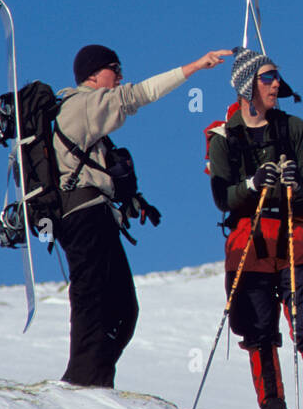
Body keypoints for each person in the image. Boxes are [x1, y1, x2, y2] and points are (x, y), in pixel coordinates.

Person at [54, 44, 233, 387]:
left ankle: (95, 379)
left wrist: (129, 198)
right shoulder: (86, 103)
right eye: (114, 69)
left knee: (120, 307)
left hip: (91, 215)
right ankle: (80, 381)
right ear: (93, 74)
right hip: (84, 216)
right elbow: (141, 94)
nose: (120, 76)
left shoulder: (85, 113)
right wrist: (194, 65)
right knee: (96, 300)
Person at [207, 49, 303, 409]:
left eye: (276, 77)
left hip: (293, 233)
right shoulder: (224, 137)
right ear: (246, 85)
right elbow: (222, 196)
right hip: (248, 240)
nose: (277, 85)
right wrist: (253, 184)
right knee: (257, 328)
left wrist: (296, 183)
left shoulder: (293, 128)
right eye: (268, 78)